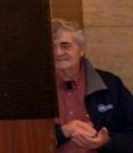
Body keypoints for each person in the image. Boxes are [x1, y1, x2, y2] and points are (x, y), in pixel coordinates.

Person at [53, 18, 133, 152]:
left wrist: (106, 141)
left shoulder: (110, 84)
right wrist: (62, 133)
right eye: (51, 46)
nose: (57, 52)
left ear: (82, 49)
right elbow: (23, 138)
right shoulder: (33, 88)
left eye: (65, 46)